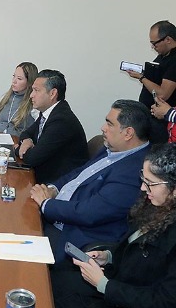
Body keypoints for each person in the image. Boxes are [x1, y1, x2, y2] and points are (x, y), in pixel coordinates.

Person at [52, 143, 176, 308]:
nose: (143, 188)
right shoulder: (155, 205)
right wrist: (109, 256)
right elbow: (136, 250)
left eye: (150, 183)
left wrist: (105, 285)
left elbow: (166, 304)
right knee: (53, 281)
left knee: (55, 305)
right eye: (143, 179)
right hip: (118, 284)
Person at [30, 100, 151, 263]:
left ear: (128, 133)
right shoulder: (112, 149)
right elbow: (78, 174)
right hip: (58, 213)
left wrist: (46, 204)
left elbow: (89, 213)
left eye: (109, 124)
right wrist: (53, 189)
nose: (103, 128)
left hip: (72, 235)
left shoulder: (134, 172)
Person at [18, 69, 88, 184]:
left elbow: (31, 159)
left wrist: (18, 149)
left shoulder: (61, 120)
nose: (31, 95)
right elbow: (26, 133)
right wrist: (27, 141)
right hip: (43, 174)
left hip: (58, 183)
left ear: (52, 93)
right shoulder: (48, 113)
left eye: (36, 90)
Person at [126, 20, 176, 143]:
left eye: (155, 43)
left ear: (168, 39)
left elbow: (163, 94)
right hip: (152, 117)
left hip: (163, 122)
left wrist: (141, 78)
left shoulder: (174, 60)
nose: (153, 47)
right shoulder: (164, 55)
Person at [0, 62, 38, 136]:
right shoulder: (5, 97)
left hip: (17, 141)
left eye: (19, 78)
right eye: (14, 76)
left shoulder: (34, 102)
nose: (14, 81)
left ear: (29, 82)